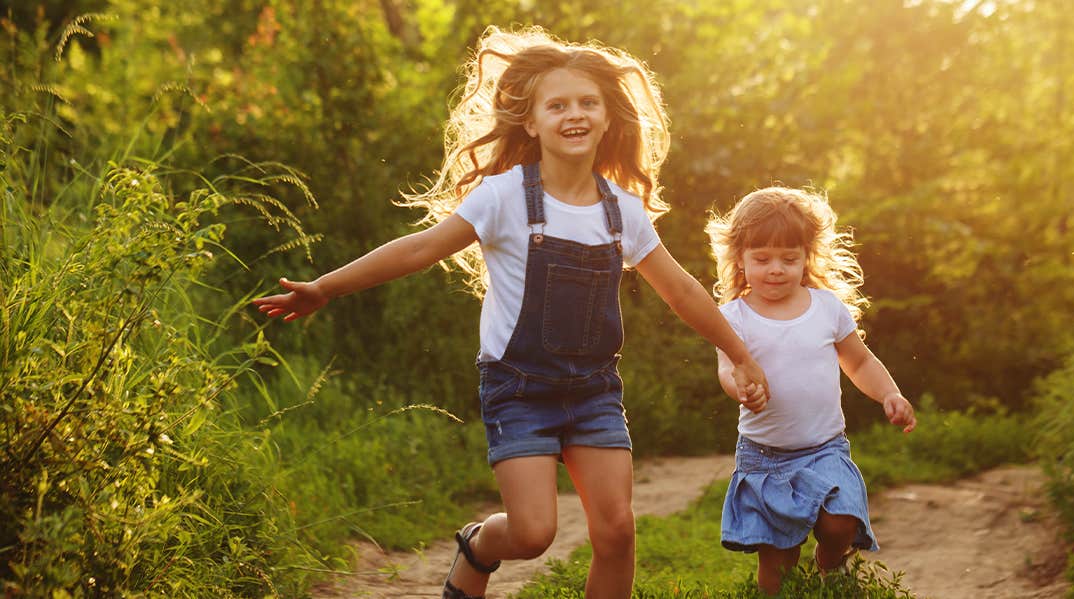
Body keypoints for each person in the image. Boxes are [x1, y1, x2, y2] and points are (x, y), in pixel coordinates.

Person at [252, 26, 770, 599]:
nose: (574, 114)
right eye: (558, 105)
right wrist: (325, 287)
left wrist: (738, 351)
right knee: (531, 533)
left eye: (587, 103)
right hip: (518, 389)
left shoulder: (623, 211)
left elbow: (683, 292)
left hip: (594, 390)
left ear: (606, 118)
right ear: (532, 121)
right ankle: (478, 545)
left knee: (618, 531)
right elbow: (419, 248)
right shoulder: (502, 197)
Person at [705, 187, 916, 594]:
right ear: (740, 259)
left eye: (789, 258)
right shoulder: (733, 317)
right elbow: (727, 369)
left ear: (807, 257)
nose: (776, 269)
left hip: (824, 448)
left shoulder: (826, 308)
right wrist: (740, 387)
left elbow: (859, 361)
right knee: (778, 564)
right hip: (765, 458)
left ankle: (829, 560)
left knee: (841, 522)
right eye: (762, 259)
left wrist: (889, 393)